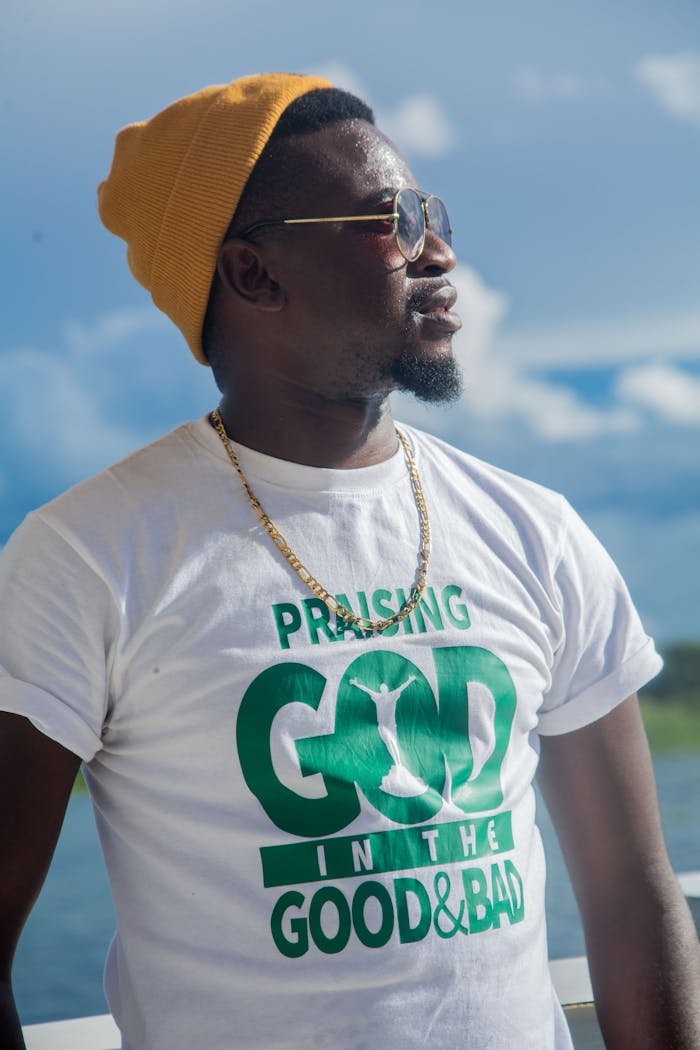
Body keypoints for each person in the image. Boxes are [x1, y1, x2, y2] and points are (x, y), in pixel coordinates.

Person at [0, 72, 698, 1050]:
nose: (440, 249)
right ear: (253, 275)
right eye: (392, 219)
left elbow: (630, 898)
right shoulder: (88, 554)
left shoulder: (533, 530)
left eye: (434, 212)